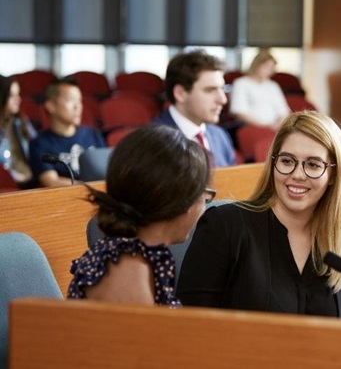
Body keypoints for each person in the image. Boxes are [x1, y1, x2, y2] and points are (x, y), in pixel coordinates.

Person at [176, 110, 341, 320]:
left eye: (313, 165)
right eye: (287, 161)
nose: (297, 175)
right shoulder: (225, 225)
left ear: (333, 175)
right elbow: (191, 323)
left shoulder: (338, 239)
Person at [67, 124, 214, 305]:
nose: (204, 205)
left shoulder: (133, 256)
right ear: (180, 201)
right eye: (204, 195)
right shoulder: (127, 270)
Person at [154, 49, 237, 167]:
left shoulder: (220, 136)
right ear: (180, 93)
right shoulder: (152, 144)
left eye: (222, 89)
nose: (223, 100)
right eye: (209, 90)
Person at [28, 78, 105, 187]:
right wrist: (90, 188)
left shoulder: (93, 135)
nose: (77, 106)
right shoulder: (40, 143)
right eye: (71, 100)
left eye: (79, 101)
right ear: (51, 106)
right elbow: (50, 181)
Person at [229, 49, 291, 130]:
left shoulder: (273, 85)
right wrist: (265, 126)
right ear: (256, 66)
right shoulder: (241, 83)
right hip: (251, 127)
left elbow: (284, 111)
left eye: (272, 68)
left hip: (275, 128)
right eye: (266, 67)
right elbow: (239, 112)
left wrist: (278, 125)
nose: (269, 71)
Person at [0, 75, 37, 187]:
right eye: (12, 96)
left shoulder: (22, 121)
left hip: (30, 180)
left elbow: (37, 148)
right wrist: (15, 176)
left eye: (18, 94)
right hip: (7, 184)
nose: (18, 99)